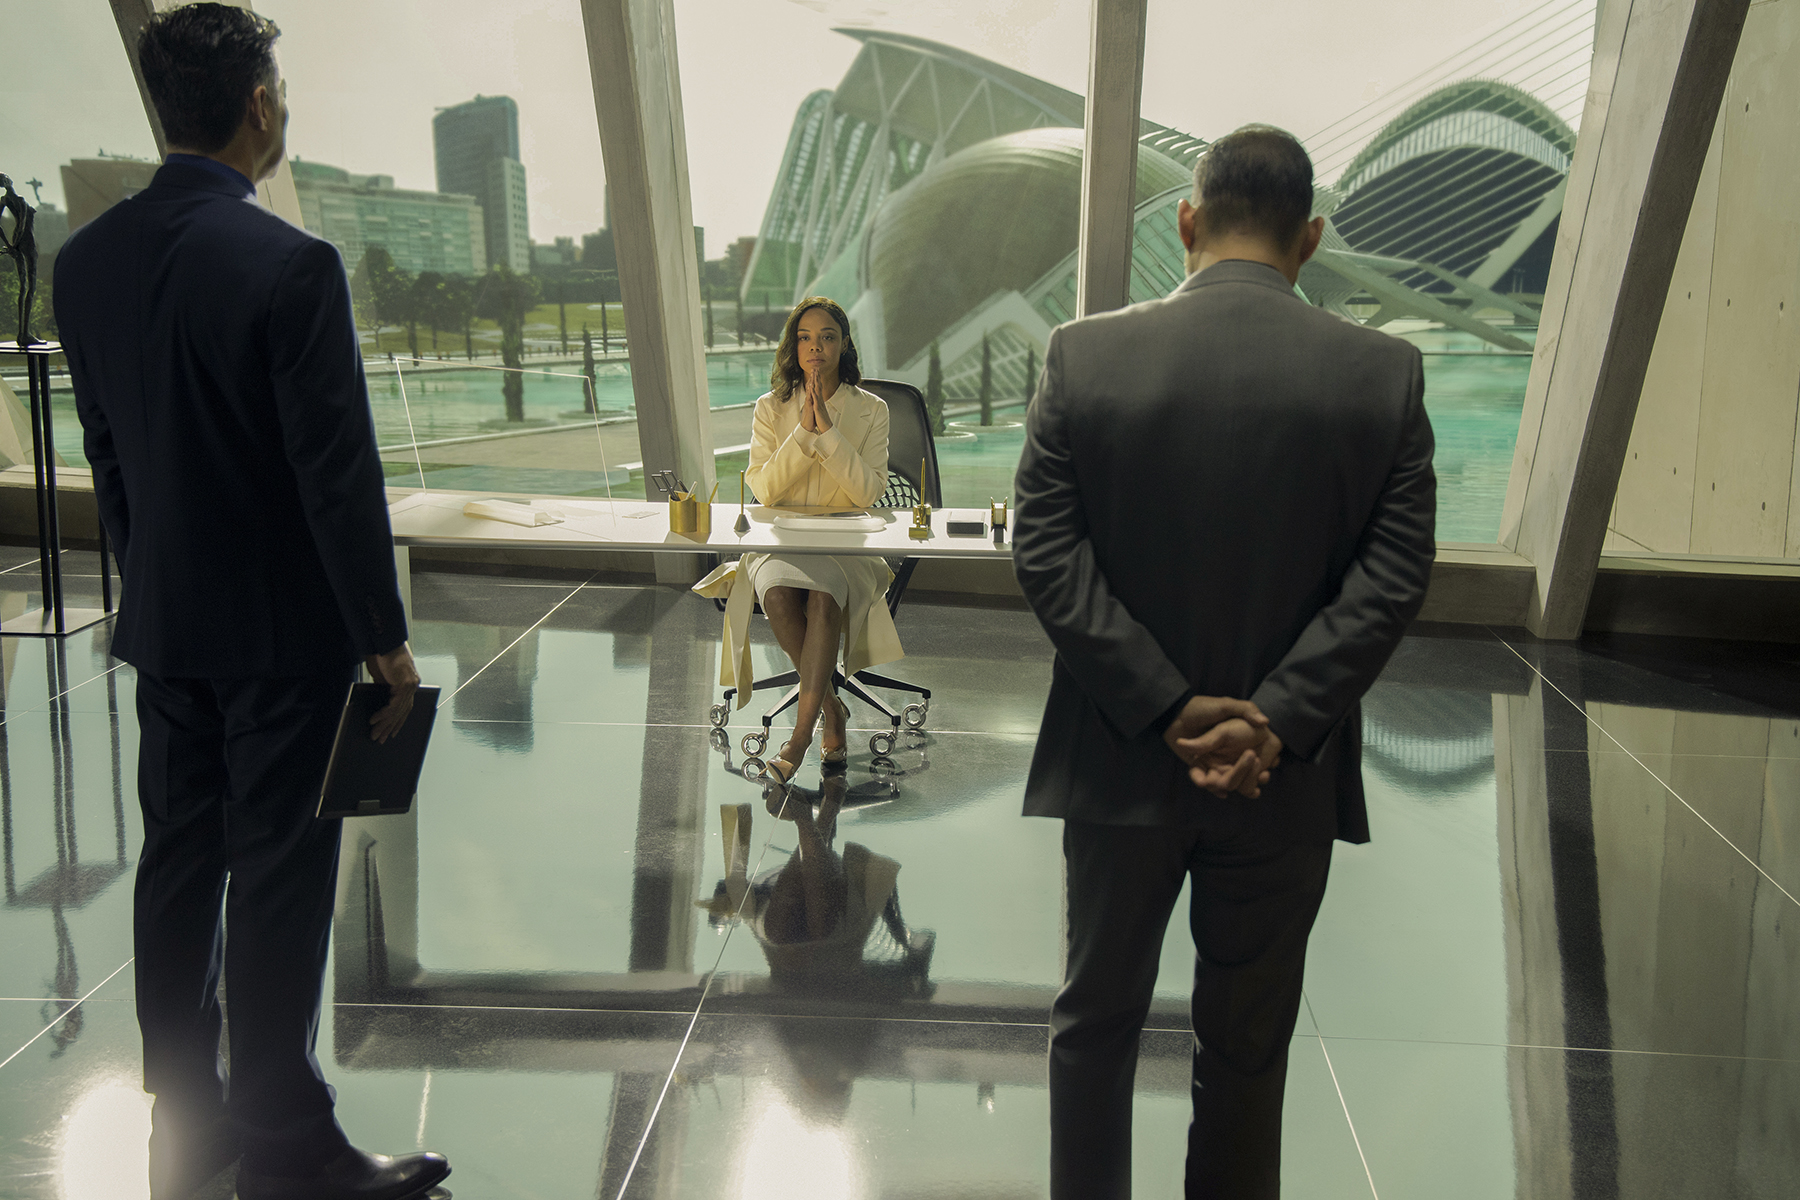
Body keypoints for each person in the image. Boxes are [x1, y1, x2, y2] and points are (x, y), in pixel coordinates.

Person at [52, 6, 450, 1199]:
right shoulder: (291, 263)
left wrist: (158, 582)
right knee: (279, 875)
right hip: (282, 642)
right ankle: (286, 1140)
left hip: (167, 628)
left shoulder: (87, 264)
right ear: (260, 106)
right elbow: (336, 475)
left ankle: (188, 1113)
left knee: (178, 862)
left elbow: (111, 461)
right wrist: (381, 639)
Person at [1011, 125, 1437, 1198]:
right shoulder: (1383, 375)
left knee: (1096, 1025)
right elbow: (1392, 577)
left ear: (1188, 223)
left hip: (1117, 764)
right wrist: (1276, 719)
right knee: (1246, 1049)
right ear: (1311, 239)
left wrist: (1162, 710)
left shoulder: (1084, 356)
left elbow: (1047, 551)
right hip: (1279, 782)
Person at [696, 297, 900, 783]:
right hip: (781, 535)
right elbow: (765, 489)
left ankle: (799, 738)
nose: (816, 347)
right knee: (782, 598)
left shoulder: (871, 410)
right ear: (794, 346)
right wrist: (802, 431)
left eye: (827, 336)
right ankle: (832, 709)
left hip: (846, 538)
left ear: (843, 344)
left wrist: (827, 432)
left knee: (824, 601)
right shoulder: (771, 408)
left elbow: (868, 492)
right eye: (806, 337)